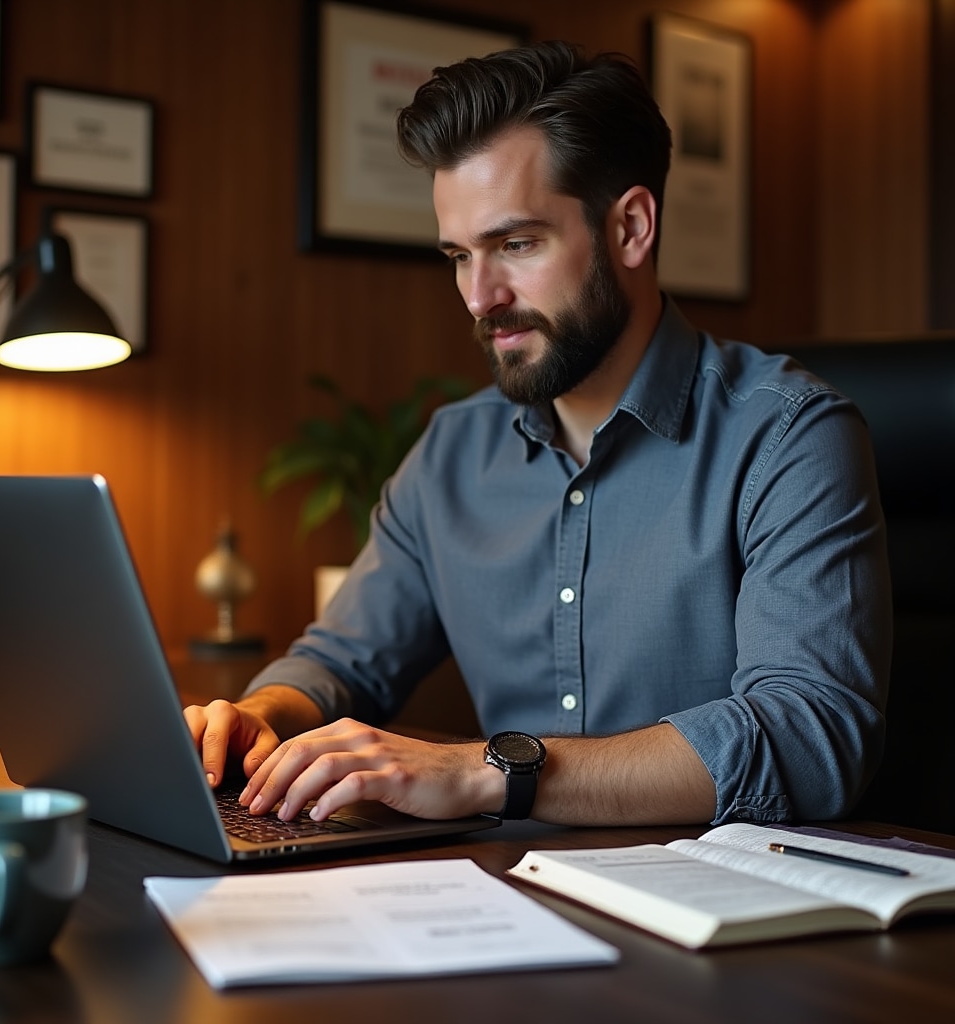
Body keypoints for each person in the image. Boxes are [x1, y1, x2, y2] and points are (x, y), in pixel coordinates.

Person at [185, 41, 891, 829]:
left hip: (720, 925)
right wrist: (261, 714)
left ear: (630, 228)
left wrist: (493, 772)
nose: (480, 297)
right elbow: (339, 663)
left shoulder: (789, 435)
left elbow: (813, 737)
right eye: (459, 255)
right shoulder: (452, 454)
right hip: (499, 899)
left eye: (516, 245)